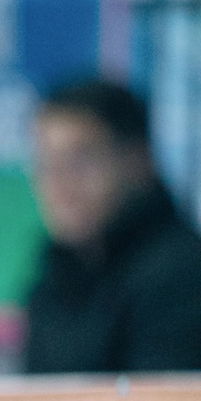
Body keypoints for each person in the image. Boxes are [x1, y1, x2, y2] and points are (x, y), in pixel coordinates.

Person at [24, 74, 201, 375]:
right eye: (45, 162)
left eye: (80, 161)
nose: (59, 183)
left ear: (137, 160)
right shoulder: (56, 272)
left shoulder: (181, 274)